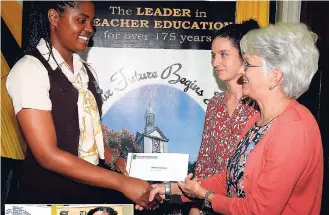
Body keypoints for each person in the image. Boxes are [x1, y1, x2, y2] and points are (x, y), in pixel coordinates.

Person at [144, 22, 323, 215]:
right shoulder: (258, 122)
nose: (243, 72)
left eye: (248, 64)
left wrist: (207, 196)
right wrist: (171, 189)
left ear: (274, 76)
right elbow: (231, 177)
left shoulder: (294, 128)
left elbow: (260, 210)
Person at [6, 1, 158, 207]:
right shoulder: (30, 70)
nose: (90, 29)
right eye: (81, 20)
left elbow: (85, 138)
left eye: (92, 22)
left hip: (89, 200)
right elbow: (47, 155)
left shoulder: (87, 73)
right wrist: (122, 183)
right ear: (54, 18)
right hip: (46, 202)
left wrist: (116, 161)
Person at [190, 20, 259, 215]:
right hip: (209, 204)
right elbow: (204, 161)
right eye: (213, 55)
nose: (215, 63)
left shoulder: (260, 106)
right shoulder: (214, 105)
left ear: (245, 56)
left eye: (224, 55)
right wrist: (196, 207)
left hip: (246, 207)